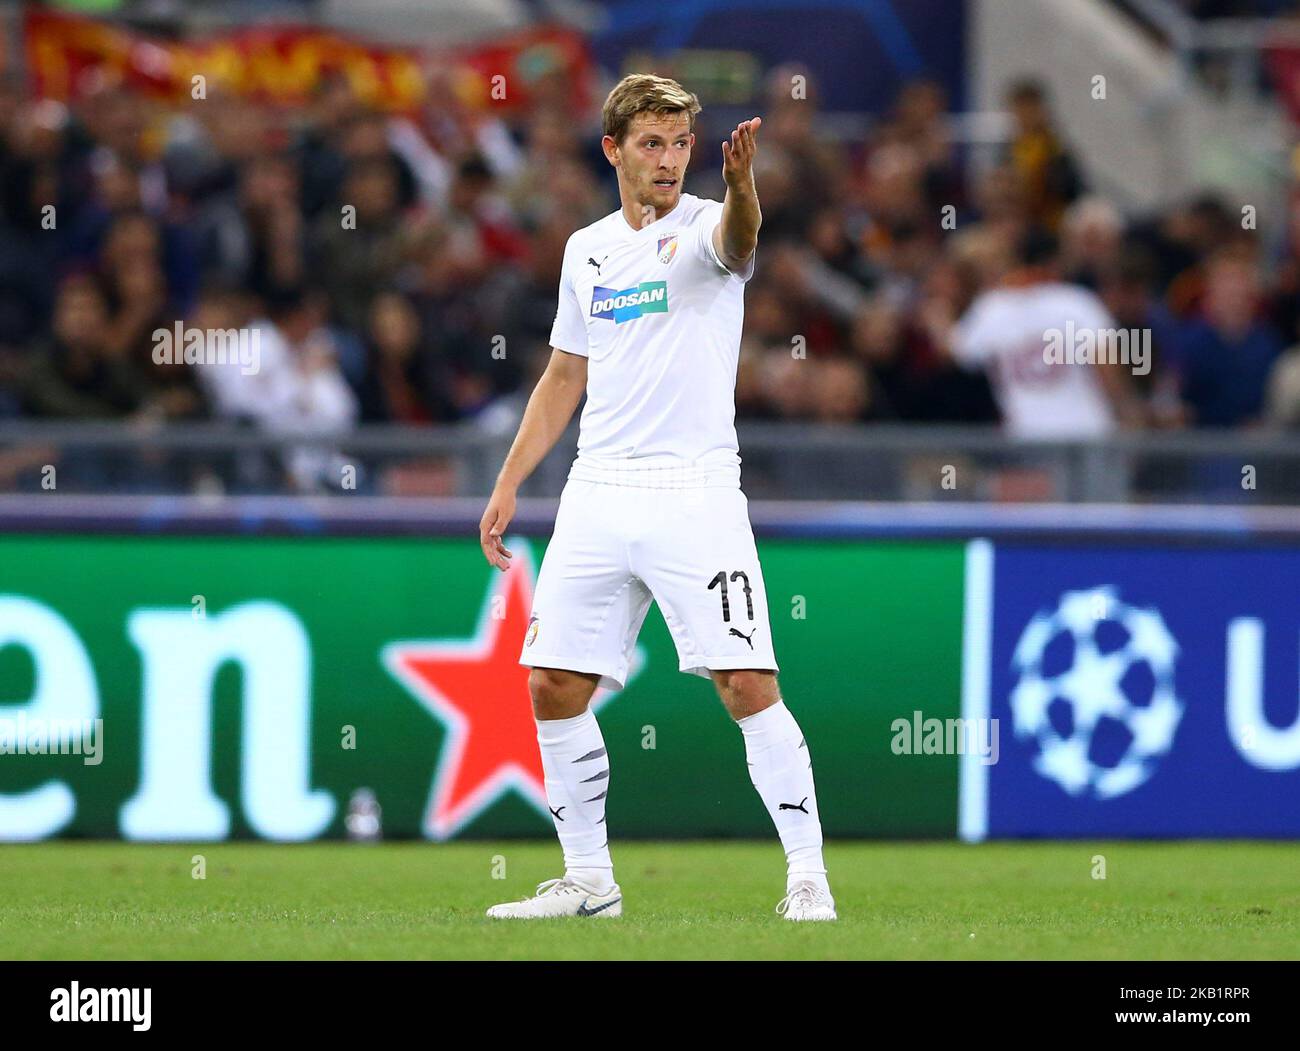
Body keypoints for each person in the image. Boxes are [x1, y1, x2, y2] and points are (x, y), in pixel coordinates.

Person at [477, 74, 834, 922]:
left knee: (747, 681)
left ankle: (808, 876)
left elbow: (741, 239)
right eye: (652, 143)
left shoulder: (707, 225)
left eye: (679, 144)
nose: (669, 159)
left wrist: (743, 184)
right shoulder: (587, 250)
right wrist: (509, 479)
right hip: (597, 488)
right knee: (553, 683)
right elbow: (566, 372)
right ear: (614, 150)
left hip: (693, 492)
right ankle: (589, 880)